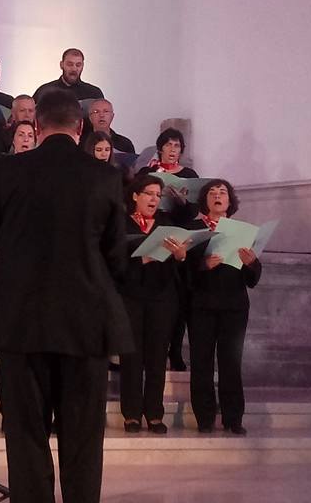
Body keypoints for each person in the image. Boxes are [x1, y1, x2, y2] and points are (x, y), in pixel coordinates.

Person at [0, 89, 132, 503]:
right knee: (83, 437)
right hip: (85, 323)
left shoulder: (9, 170)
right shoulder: (105, 176)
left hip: (21, 322)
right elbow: (116, 259)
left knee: (26, 435)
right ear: (80, 127)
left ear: (36, 126)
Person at [189, 179, 262, 436]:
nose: (217, 196)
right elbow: (181, 272)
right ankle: (205, 417)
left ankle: (233, 418)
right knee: (201, 362)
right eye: (212, 192)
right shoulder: (194, 229)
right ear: (205, 200)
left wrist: (251, 263)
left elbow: (252, 279)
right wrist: (202, 265)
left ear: (230, 201)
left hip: (234, 306)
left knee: (231, 362)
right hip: (202, 305)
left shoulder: (242, 232)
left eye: (222, 192)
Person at [119, 174, 188, 435]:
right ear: (135, 196)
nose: (154, 199)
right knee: (131, 358)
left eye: (158, 196)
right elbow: (112, 261)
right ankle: (131, 414)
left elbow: (177, 263)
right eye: (149, 194)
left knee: (157, 357)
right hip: (130, 296)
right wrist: (142, 261)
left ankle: (155, 414)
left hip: (162, 298)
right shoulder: (121, 223)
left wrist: (180, 256)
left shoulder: (166, 224)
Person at [138, 127, 199, 370]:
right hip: (150, 233)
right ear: (160, 148)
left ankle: (174, 351)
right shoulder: (147, 172)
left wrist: (182, 202)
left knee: (178, 298)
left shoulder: (189, 175)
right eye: (169, 145)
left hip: (177, 237)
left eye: (177, 146)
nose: (173, 150)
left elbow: (193, 212)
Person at [32, 48, 105, 103]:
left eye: (78, 65)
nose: (74, 69)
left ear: (83, 66)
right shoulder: (44, 91)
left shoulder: (94, 93)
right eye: (70, 64)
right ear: (61, 65)